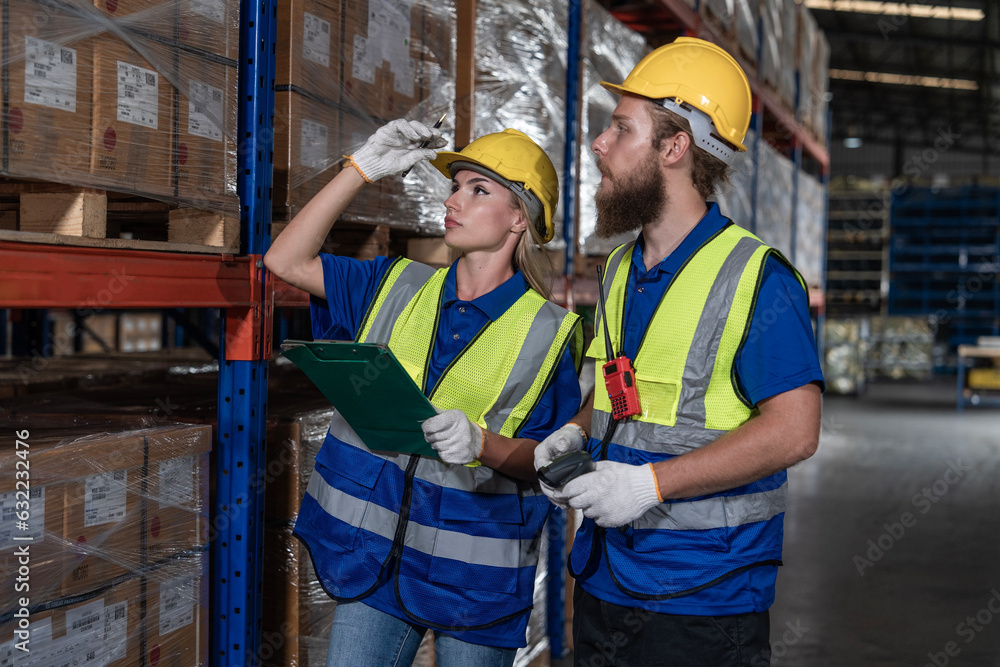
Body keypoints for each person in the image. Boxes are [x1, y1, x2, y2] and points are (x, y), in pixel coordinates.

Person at [533, 37, 825, 666]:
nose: (598, 145)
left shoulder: (757, 277)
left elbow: (795, 431)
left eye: (620, 129)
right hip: (606, 577)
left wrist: (649, 485)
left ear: (674, 147)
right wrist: (575, 432)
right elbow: (628, 393)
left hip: (703, 598)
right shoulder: (618, 269)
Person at [264, 120, 583, 667]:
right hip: (374, 560)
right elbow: (284, 261)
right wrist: (359, 170)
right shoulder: (393, 283)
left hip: (471, 582)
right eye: (455, 186)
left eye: (478, 189)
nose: (454, 199)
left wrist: (481, 443)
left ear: (518, 218)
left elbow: (549, 460)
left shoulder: (549, 333)